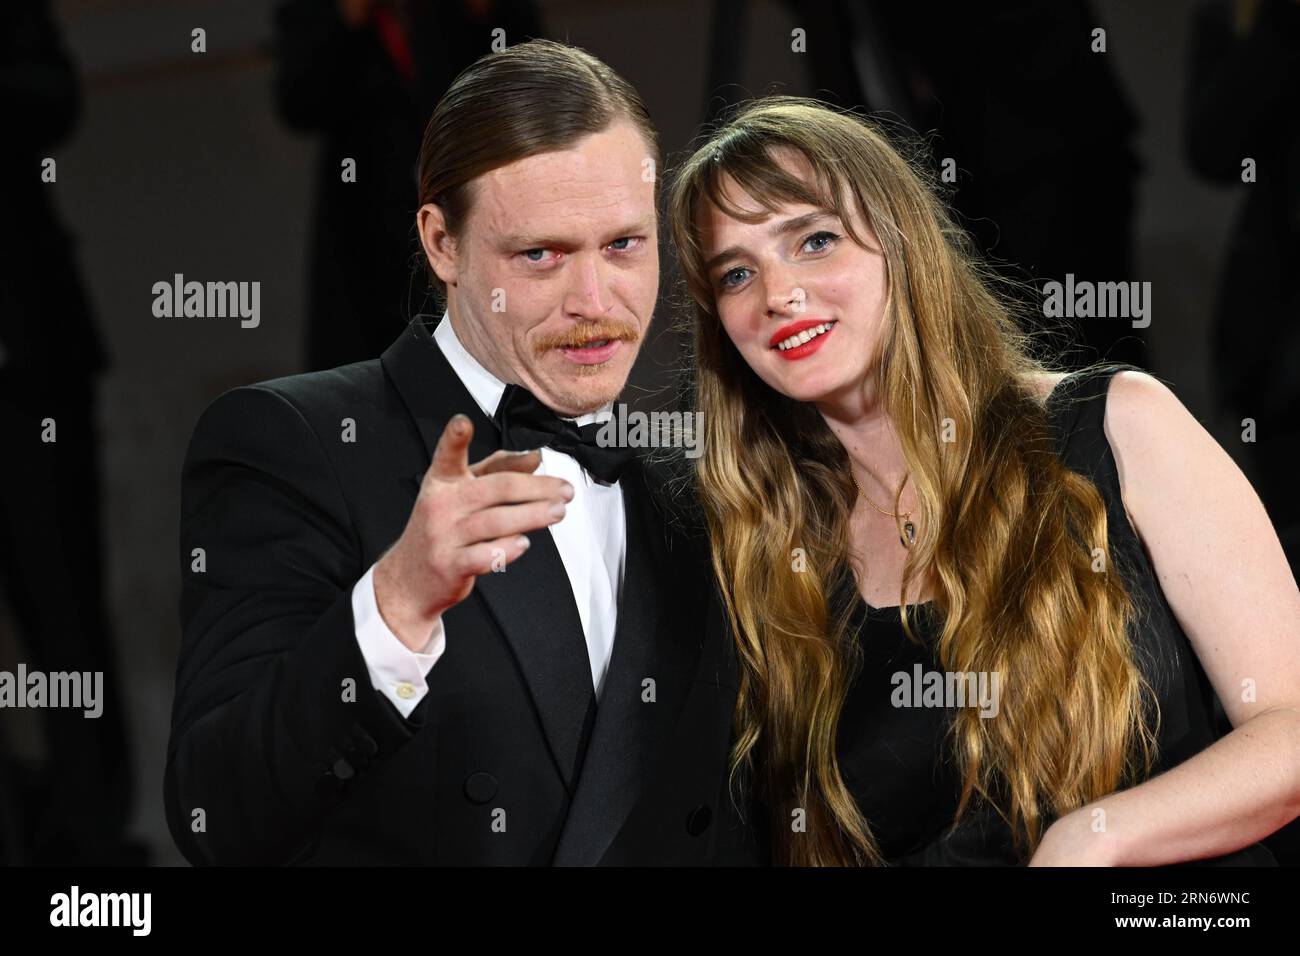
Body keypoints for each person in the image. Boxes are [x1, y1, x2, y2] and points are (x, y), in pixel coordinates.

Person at [165, 39, 758, 866]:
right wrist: (396, 601)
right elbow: (214, 814)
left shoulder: (705, 462)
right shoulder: (294, 443)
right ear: (442, 243)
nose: (595, 302)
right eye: (541, 255)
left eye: (623, 245)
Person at [665, 96, 1300, 866]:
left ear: (904, 245)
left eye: (816, 240)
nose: (777, 293)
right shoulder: (763, 554)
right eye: (737, 272)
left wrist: (1092, 841)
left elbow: (1290, 733)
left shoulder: (1117, 425)